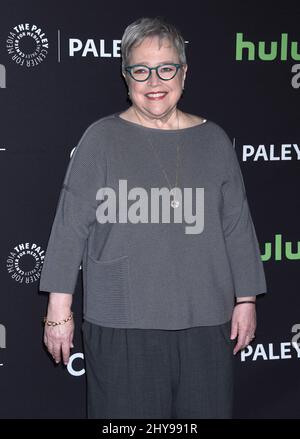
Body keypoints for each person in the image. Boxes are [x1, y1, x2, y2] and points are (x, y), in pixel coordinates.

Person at [39, 16, 267, 419]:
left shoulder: (214, 140)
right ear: (126, 77)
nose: (154, 81)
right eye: (140, 70)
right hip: (122, 324)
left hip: (206, 322)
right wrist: (59, 311)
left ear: (184, 72)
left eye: (166, 68)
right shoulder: (101, 139)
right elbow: (70, 226)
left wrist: (246, 298)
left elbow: (236, 225)